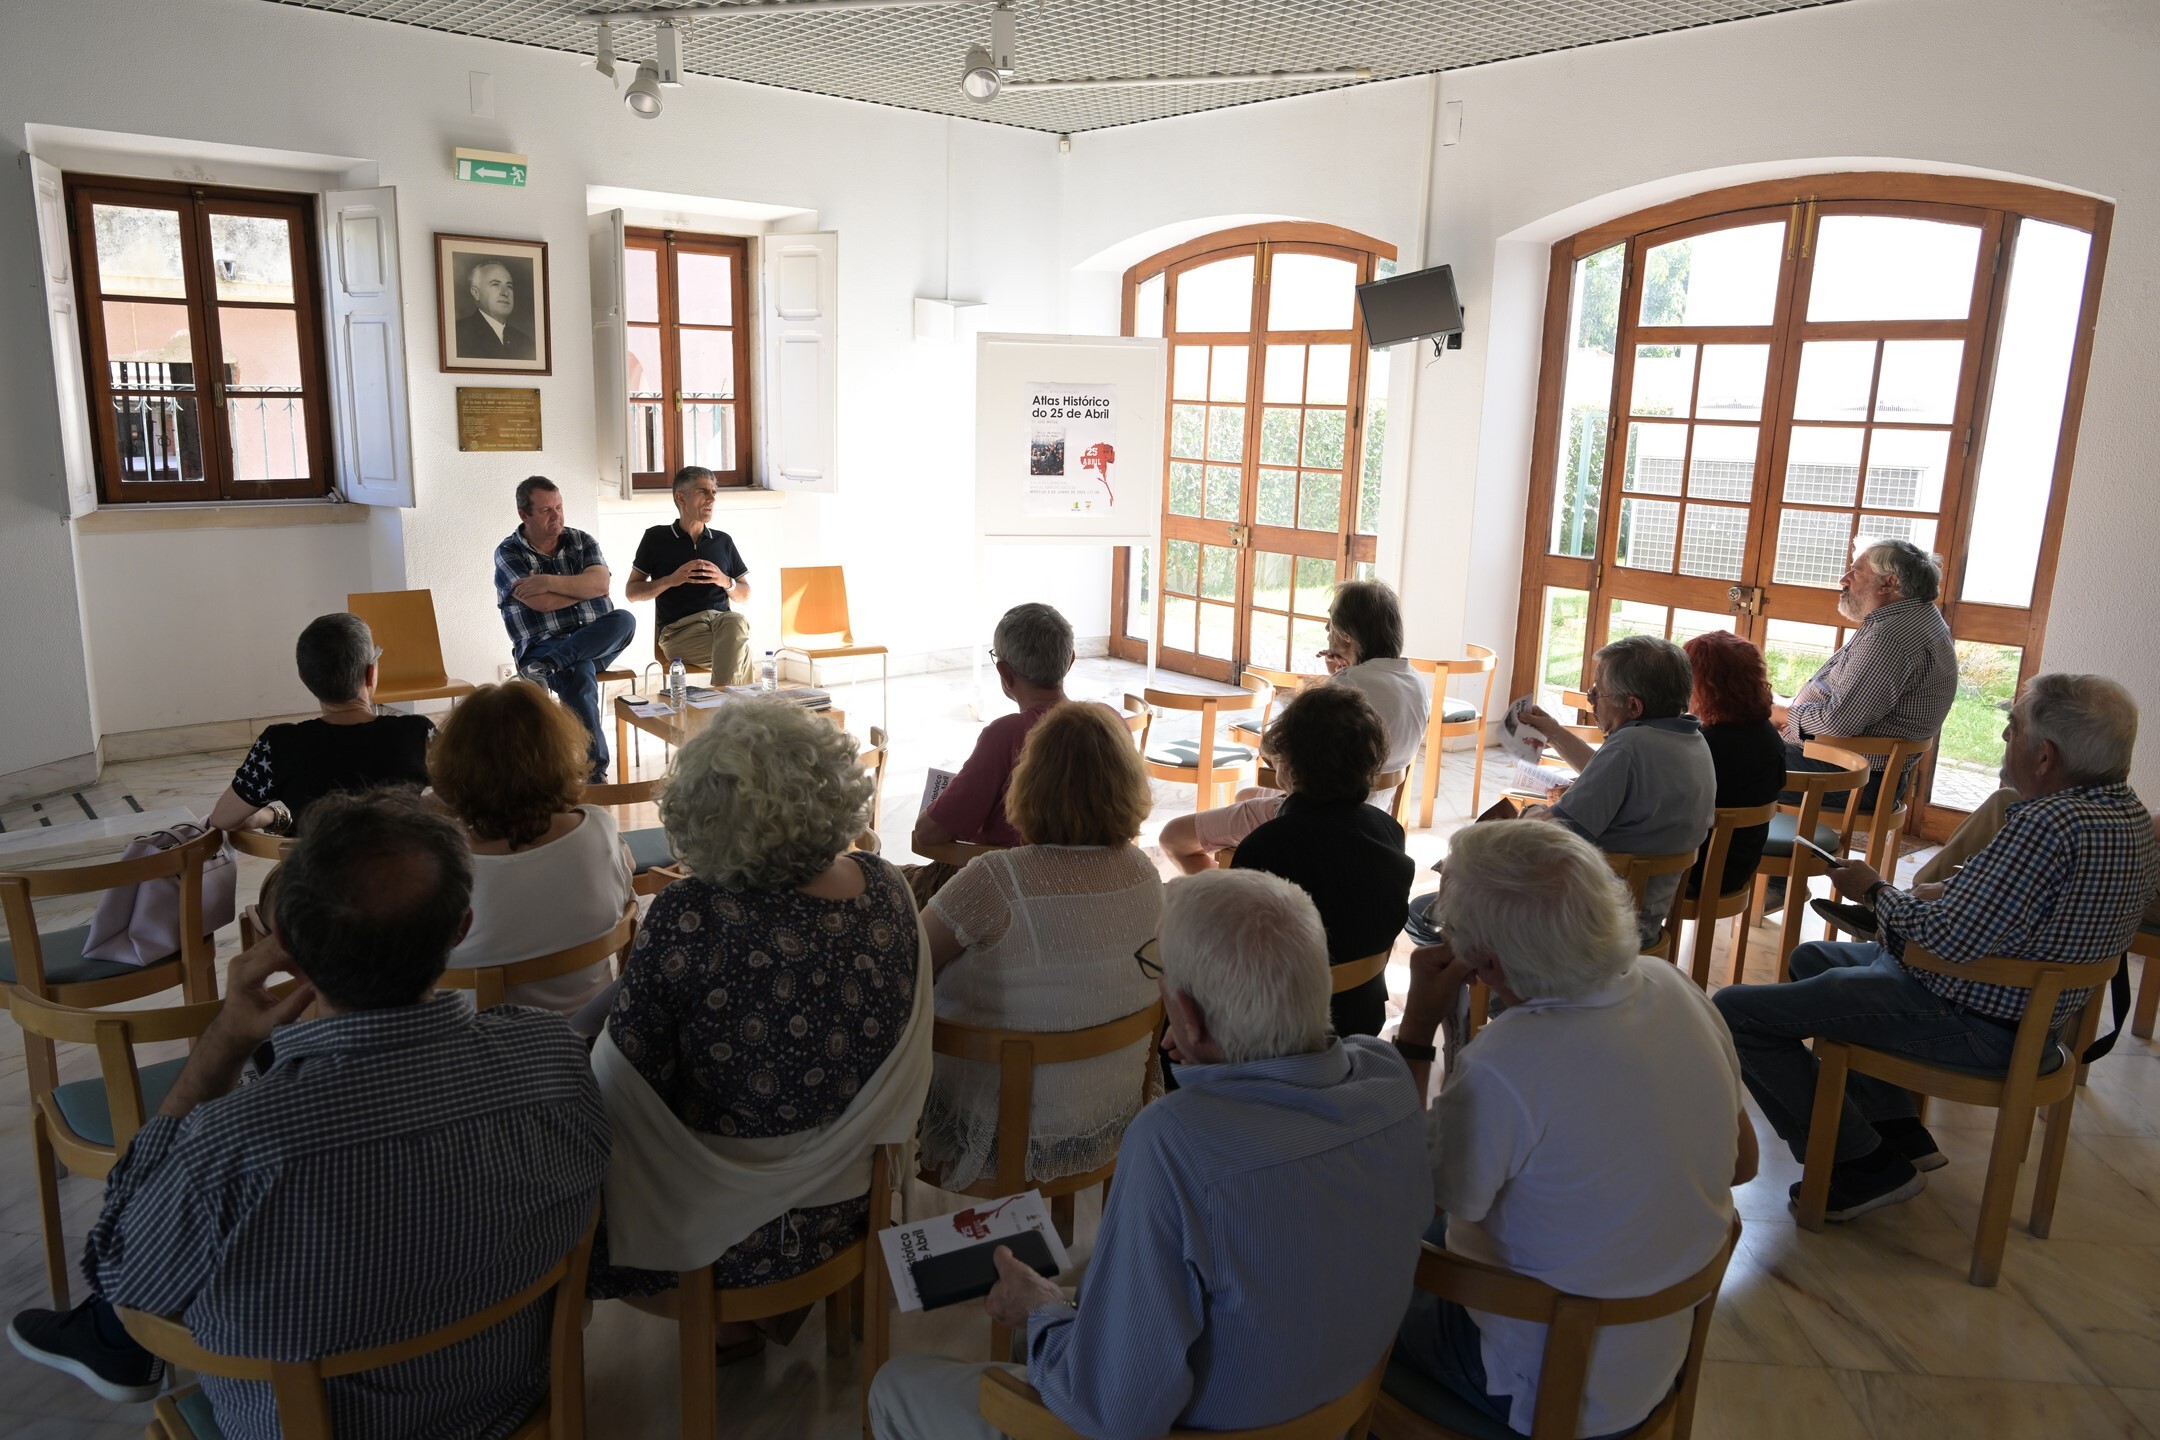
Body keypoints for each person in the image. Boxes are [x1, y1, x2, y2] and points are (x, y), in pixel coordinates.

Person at [6, 791, 609, 1434]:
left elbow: (129, 1288)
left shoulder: (229, 1149)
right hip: (503, 1409)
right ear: (461, 927)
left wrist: (222, 1048)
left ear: (282, 946)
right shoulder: (556, 1064)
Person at [869, 869, 1432, 1440]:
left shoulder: (1175, 1141)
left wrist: (1043, 1313)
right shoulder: (1387, 1080)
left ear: (1185, 1016)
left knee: (895, 1385)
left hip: (1185, 1427)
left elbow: (1113, 1417)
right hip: (1329, 1406)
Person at [1714, 673, 2156, 1221]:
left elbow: (1949, 939)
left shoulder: (2045, 823)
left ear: (2045, 757)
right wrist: (1956, 889)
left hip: (1977, 1023)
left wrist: (1875, 891)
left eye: (2011, 731)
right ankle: (1895, 1128)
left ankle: (1860, 1164)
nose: (2003, 740)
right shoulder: (2128, 815)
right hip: (2027, 1014)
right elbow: (2043, 908)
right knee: (1813, 958)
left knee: (1734, 1011)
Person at [588, 697, 931, 1360]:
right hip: (852, 1205)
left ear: (705, 808)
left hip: (720, 1231)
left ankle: (730, 1323)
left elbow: (625, 1084)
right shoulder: (886, 889)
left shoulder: (688, 914)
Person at [1387, 821, 1755, 1438]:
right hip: (1652, 1351)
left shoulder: (1508, 1060)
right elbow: (1742, 1163)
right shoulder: (1675, 987)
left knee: (1329, 1269)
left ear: (1486, 963)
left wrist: (1418, 1029)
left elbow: (1403, 1196)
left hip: (1543, 1377)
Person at [920, 702, 1163, 1190]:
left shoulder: (996, 880)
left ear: (1029, 783)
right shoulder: (1144, 874)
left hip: (1001, 1125)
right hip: (1108, 1108)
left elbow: (907, 965)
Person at [1412, 634, 1714, 951]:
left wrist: (1530, 814)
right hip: (1643, 918)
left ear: (1633, 705)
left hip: (1587, 926)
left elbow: (1548, 838)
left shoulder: (1628, 748)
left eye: (1598, 693)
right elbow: (1611, 772)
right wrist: (1554, 733)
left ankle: (1495, 998)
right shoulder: (1692, 743)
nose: (1591, 700)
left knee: (1426, 912)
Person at [1159, 579, 1428, 872]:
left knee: (1173, 836)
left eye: (1330, 623)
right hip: (1372, 814)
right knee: (1244, 796)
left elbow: (1280, 754)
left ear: (1347, 636)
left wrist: (1336, 682)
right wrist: (1338, 677)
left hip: (1317, 816)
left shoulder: (1349, 685)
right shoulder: (1416, 682)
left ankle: (1224, 898)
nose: (1327, 631)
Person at [431, 681, 635, 1015]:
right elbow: (624, 888)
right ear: (559, 755)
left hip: (476, 1053)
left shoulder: (443, 867)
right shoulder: (600, 828)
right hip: (587, 1038)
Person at [1228, 684, 1413, 1038]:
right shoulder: (1388, 829)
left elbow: (1241, 957)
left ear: (1292, 764)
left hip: (1285, 1024)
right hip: (1362, 1014)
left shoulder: (1267, 845)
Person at [906, 603, 1075, 903]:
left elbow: (928, 834)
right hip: (1076, 888)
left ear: (1004, 673)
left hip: (1004, 893)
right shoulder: (1110, 723)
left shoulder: (1008, 734)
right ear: (1070, 661)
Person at [204, 612, 432, 832]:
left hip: (321, 871)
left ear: (304, 678)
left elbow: (223, 819)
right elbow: (463, 796)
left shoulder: (279, 745)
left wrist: (271, 816)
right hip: (405, 868)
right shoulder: (418, 734)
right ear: (371, 673)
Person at [1776, 538, 1956, 810]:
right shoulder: (1912, 617)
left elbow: (1838, 723)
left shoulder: (1891, 637)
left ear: (1889, 583)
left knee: (1719, 761)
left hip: (1852, 778)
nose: (1844, 579)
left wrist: (1780, 714)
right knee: (1724, 743)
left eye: (1856, 572)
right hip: (1852, 768)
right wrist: (1791, 707)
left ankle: (1729, 850)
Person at [493, 476, 637, 781]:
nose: (556, 515)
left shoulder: (581, 541)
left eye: (559, 506)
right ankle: (594, 771)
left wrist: (546, 581)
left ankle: (543, 669)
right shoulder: (510, 553)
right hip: (542, 642)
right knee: (579, 670)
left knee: (625, 620)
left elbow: (600, 585)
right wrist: (581, 589)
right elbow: (541, 604)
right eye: (546, 510)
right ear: (524, 515)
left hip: (594, 638)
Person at [627, 465, 755, 688]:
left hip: (722, 627)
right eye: (703, 491)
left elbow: (744, 594)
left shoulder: (723, 541)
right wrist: (670, 580)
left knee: (735, 623)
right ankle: (737, 711)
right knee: (740, 647)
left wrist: (725, 581)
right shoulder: (656, 538)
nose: (711, 499)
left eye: (714, 492)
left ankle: (724, 707)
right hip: (679, 633)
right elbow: (632, 593)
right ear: (681, 498)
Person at [1683, 630, 1789, 899]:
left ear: (1704, 684)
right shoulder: (1765, 734)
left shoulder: (1707, 745)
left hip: (1691, 872)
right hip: (1736, 868)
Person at [456, 258, 535, 361]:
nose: (505, 293)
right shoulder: (458, 334)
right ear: (476, 293)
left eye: (509, 286)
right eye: (495, 284)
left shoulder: (527, 343)